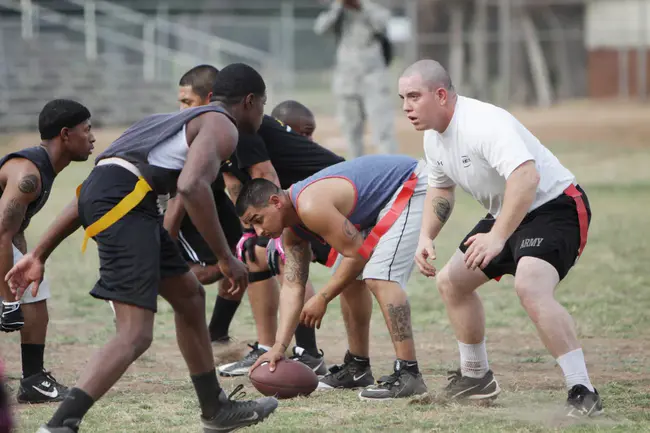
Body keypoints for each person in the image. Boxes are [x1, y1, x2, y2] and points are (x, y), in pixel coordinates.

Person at [7, 63, 278, 433]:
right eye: (262, 105)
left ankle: (215, 408)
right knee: (136, 333)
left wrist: (39, 254)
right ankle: (59, 425)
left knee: (189, 296)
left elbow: (93, 189)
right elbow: (191, 186)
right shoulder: (222, 125)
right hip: (128, 206)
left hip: (123, 201)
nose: (261, 114)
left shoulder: (162, 123)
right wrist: (226, 258)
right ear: (249, 102)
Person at [399, 59, 602, 416]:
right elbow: (441, 190)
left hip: (555, 206)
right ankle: (476, 378)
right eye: (402, 98)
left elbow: (526, 179)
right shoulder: (433, 138)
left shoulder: (483, 123)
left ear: (441, 94)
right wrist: (426, 236)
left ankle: (583, 390)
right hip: (507, 213)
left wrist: (496, 237)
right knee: (451, 282)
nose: (406, 107)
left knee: (530, 285)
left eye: (414, 96)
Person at [237, 154, 430, 401]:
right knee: (347, 278)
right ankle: (358, 367)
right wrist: (278, 347)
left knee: (380, 277)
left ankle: (409, 373)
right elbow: (292, 287)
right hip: (383, 201)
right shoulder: (292, 232)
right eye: (251, 226)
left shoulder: (309, 205)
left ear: (275, 201)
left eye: (258, 220)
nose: (259, 231)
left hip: (410, 182)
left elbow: (357, 254)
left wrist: (323, 297)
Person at [0, 99, 94, 404]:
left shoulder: (42, 169)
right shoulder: (29, 175)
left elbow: (14, 231)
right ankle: (33, 379)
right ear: (65, 134)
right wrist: (6, 300)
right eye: (86, 130)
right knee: (28, 299)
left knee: (33, 293)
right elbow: (1, 231)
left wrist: (26, 263)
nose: (92, 137)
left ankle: (33, 381)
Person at [174, 64, 244, 346]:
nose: (181, 110)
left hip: (212, 196)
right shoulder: (188, 131)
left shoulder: (225, 125)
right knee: (209, 269)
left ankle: (216, 335)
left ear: (211, 98)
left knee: (245, 255)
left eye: (187, 102)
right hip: (183, 200)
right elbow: (184, 189)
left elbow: (230, 176)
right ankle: (142, 283)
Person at [314, 0, 397, 157]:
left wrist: (361, 6)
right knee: (351, 131)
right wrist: (339, 7)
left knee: (383, 130)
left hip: (373, 78)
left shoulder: (374, 7)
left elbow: (382, 24)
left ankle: (392, 171)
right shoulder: (339, 9)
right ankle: (357, 171)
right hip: (347, 79)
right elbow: (321, 28)